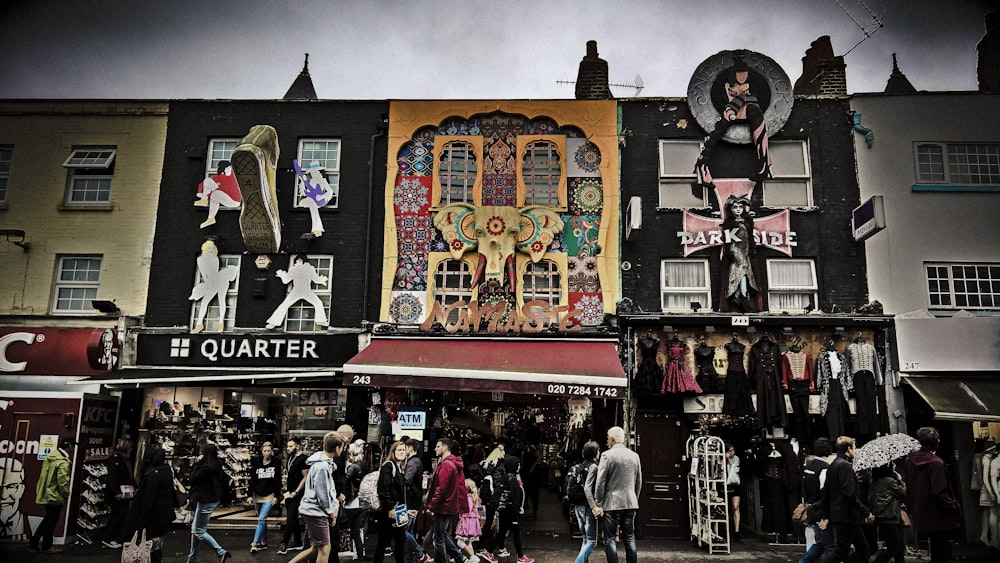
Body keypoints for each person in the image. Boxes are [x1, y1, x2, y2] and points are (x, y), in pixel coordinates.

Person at [905, 426, 962, 563]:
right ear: (937, 442)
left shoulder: (910, 461)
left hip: (920, 511)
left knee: (937, 552)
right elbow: (939, 492)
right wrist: (953, 505)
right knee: (941, 552)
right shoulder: (936, 463)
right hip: (938, 514)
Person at [289, 430, 346, 563]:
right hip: (316, 512)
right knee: (325, 549)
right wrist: (331, 512)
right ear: (337, 448)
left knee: (315, 548)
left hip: (313, 510)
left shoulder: (321, 463)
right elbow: (323, 494)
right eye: (342, 447)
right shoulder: (322, 466)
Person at [817, 436, 873, 563]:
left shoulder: (834, 465)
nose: (855, 451)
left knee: (863, 551)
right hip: (847, 516)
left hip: (843, 515)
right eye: (854, 448)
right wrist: (865, 511)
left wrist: (826, 514)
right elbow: (849, 493)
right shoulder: (845, 466)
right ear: (848, 449)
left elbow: (826, 491)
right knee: (841, 552)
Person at [592, 426, 642, 563]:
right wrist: (634, 498)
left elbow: (600, 481)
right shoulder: (634, 456)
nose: (607, 441)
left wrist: (599, 502)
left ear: (613, 440)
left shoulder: (607, 455)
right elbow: (639, 481)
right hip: (630, 502)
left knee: (609, 539)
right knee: (630, 538)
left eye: (608, 439)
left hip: (612, 503)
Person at [425, 437, 477, 563]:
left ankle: (444, 560)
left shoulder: (446, 464)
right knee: (442, 535)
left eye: (438, 446)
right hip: (447, 505)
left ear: (445, 447)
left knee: (439, 537)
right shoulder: (449, 463)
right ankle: (460, 558)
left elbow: (441, 488)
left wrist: (432, 505)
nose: (435, 449)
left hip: (443, 505)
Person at [127, 446, 177, 563]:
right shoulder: (166, 471)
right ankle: (156, 557)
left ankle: (152, 558)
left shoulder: (153, 475)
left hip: (153, 515)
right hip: (164, 513)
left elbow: (148, 499)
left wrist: (141, 519)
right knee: (157, 541)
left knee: (150, 540)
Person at [28, 436, 74, 553]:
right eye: (73, 446)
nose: (73, 448)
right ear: (69, 446)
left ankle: (34, 542)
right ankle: (47, 546)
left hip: (46, 492)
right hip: (55, 494)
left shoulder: (52, 456)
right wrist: (66, 494)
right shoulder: (63, 462)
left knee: (48, 518)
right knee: (51, 520)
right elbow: (63, 481)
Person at [187, 443, 231, 563]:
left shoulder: (206, 468)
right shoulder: (216, 465)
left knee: (199, 531)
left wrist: (197, 463)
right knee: (194, 529)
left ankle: (220, 552)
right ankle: (192, 558)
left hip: (205, 500)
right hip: (212, 499)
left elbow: (193, 478)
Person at [482, 456, 530, 563]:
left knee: (502, 531)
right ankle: (520, 557)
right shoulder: (512, 479)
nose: (519, 467)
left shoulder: (505, 477)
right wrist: (518, 510)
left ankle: (489, 551)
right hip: (510, 510)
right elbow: (516, 496)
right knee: (515, 532)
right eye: (518, 465)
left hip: (504, 509)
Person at [265, 255, 330, 329]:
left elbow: (315, 279)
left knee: (318, 303)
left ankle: (321, 320)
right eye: (296, 261)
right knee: (285, 305)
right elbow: (286, 281)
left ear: (303, 261)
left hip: (304, 291)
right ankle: (273, 323)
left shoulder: (305, 269)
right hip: (298, 291)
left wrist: (282, 275)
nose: (297, 262)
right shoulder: (297, 269)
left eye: (299, 260)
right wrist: (282, 275)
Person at [720, 194, 758, 313]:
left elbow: (750, 236)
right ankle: (741, 296)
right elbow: (727, 238)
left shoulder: (748, 221)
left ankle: (738, 297)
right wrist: (728, 251)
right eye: (735, 207)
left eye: (740, 207)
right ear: (730, 209)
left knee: (745, 274)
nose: (738, 209)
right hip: (735, 250)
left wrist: (752, 249)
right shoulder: (729, 223)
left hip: (745, 250)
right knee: (739, 273)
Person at [374, 440, 409, 563]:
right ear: (393, 452)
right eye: (399, 450)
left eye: (403, 450)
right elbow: (383, 488)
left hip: (399, 511)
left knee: (400, 542)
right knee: (384, 542)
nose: (401, 452)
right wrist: (390, 507)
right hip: (389, 512)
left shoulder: (400, 468)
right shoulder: (388, 466)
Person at [801, 437, 834, 562]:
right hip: (819, 509)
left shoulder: (809, 465)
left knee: (815, 541)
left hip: (810, 505)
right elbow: (824, 491)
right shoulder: (825, 467)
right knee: (826, 543)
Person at [869, 464, 907, 563]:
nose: (894, 465)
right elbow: (904, 492)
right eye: (892, 464)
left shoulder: (874, 482)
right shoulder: (891, 482)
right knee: (894, 549)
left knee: (897, 548)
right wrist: (900, 480)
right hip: (891, 518)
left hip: (882, 518)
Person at [570, 440, 600, 563]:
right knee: (592, 541)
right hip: (588, 506)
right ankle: (578, 561)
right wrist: (595, 505)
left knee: (585, 539)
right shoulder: (594, 467)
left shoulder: (579, 466)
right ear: (595, 454)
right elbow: (592, 488)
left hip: (578, 505)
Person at [249, 441, 282, 552]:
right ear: (262, 452)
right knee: (262, 520)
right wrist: (249, 495)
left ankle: (255, 542)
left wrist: (276, 496)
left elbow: (278, 481)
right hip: (257, 494)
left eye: (269, 451)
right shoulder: (257, 463)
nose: (267, 453)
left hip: (269, 495)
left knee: (262, 518)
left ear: (272, 451)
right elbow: (252, 480)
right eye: (265, 451)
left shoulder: (276, 463)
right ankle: (264, 541)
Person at [101, 438, 135, 548]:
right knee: (118, 514)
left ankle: (111, 536)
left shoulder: (124, 459)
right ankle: (108, 538)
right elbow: (113, 477)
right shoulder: (115, 459)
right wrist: (117, 492)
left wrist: (135, 487)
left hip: (125, 491)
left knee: (120, 514)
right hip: (119, 493)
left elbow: (129, 475)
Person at [278, 437, 309, 554]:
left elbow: (305, 477)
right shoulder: (290, 458)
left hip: (299, 492)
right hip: (289, 491)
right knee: (293, 517)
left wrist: (296, 491)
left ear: (298, 446)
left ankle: (284, 542)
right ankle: (297, 540)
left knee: (291, 517)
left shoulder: (304, 459)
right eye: (288, 446)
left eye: (291, 446)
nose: (288, 448)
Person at [401, 437, 429, 563]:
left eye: (405, 448)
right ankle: (410, 559)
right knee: (409, 531)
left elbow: (407, 480)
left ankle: (420, 554)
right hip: (415, 499)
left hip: (411, 500)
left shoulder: (412, 462)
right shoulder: (417, 461)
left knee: (404, 531)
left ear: (410, 448)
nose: (403, 451)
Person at [342, 439, 368, 562]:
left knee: (341, 530)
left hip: (350, 503)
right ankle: (360, 557)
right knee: (357, 532)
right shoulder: (363, 465)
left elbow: (345, 482)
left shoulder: (352, 467)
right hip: (359, 502)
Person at [456, 478, 483, 562]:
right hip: (473, 524)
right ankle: (472, 558)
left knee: (459, 542)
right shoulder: (475, 498)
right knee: (469, 543)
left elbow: (464, 510)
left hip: (465, 523)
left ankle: (472, 558)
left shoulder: (466, 499)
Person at [725, 442, 742, 540]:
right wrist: (724, 460)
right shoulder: (720, 458)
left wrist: (731, 464)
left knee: (736, 507)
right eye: (730, 451)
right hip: (724, 484)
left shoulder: (736, 459)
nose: (732, 453)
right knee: (724, 507)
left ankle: (737, 530)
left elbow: (736, 471)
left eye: (733, 450)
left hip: (734, 484)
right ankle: (725, 528)